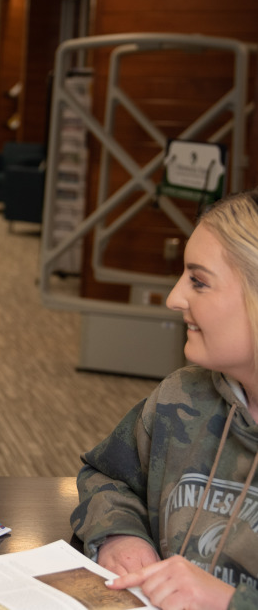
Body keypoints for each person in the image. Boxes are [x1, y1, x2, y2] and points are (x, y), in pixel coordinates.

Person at [71, 189, 258, 610]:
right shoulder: (181, 396)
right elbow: (108, 477)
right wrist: (121, 534)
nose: (174, 298)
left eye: (199, 281)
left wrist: (230, 602)